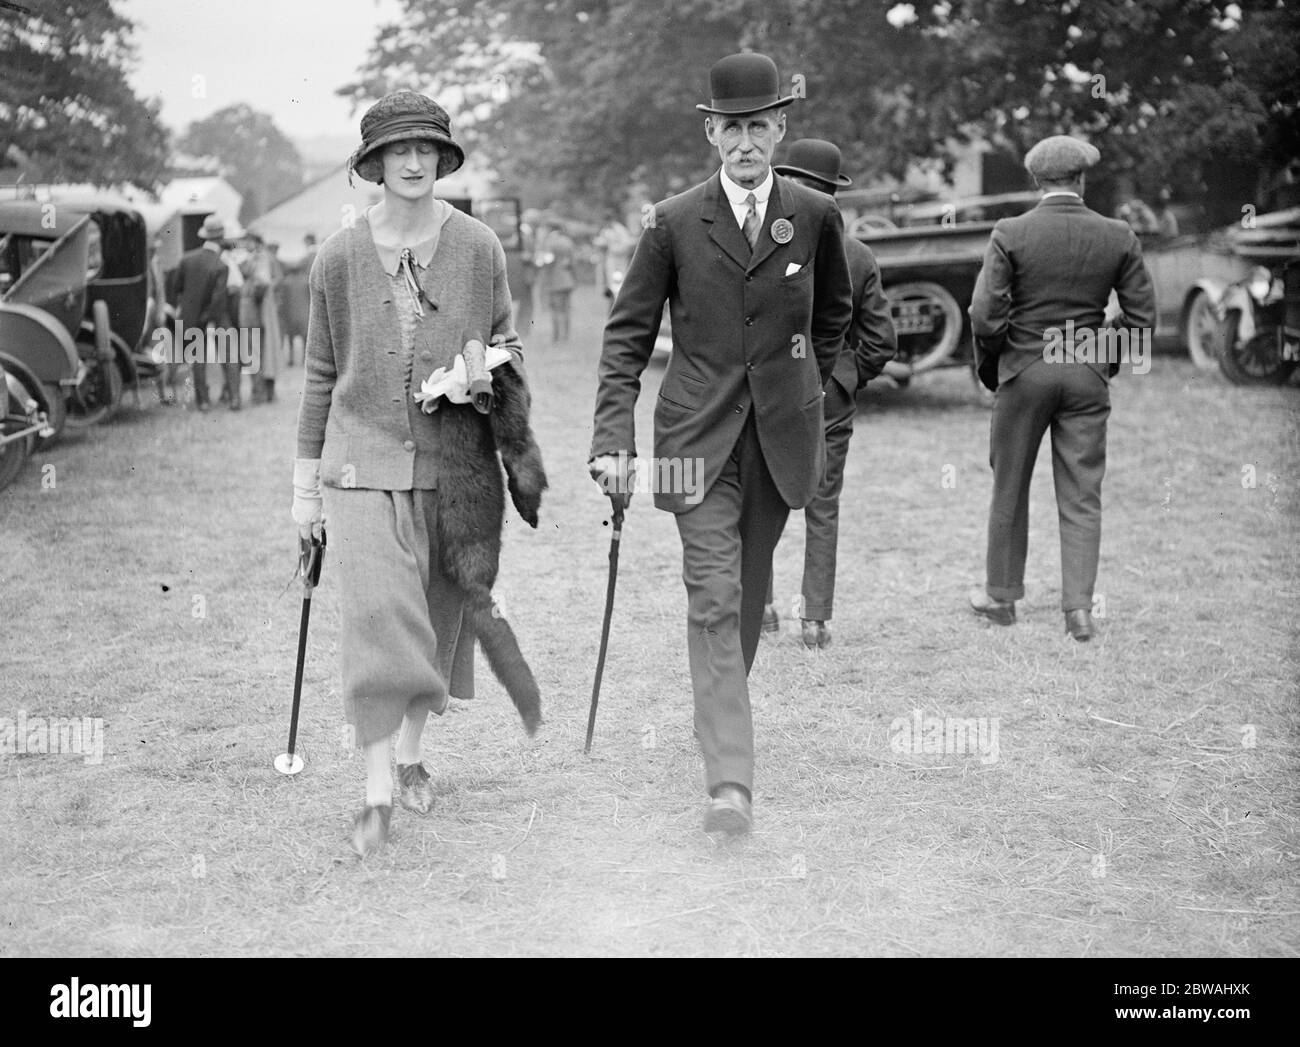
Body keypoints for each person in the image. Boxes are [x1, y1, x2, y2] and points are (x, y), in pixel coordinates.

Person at [589, 52, 853, 835]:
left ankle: (718, 713)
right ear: (711, 133)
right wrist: (614, 439)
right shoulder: (671, 222)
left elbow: (833, 314)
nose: (744, 142)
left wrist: (815, 387)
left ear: (780, 129)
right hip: (691, 441)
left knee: (743, 601)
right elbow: (626, 338)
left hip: (778, 442)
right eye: (729, 128)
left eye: (758, 127)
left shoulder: (813, 216)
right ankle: (729, 782)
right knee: (711, 596)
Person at [292, 90, 547, 857]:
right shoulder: (337, 258)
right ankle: (374, 793)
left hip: (454, 468)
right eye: (395, 150)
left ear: (441, 157)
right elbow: (315, 375)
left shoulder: (479, 247)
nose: (411, 161)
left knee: (437, 622)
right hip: (359, 466)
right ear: (371, 163)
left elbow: (509, 345)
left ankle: (407, 755)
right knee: (379, 615)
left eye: (424, 148)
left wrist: (484, 372)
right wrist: (304, 491)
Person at [968, 135, 1156, 641]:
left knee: (1009, 486)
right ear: (1082, 178)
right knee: (1082, 493)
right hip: (1085, 375)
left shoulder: (1010, 231)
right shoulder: (1118, 234)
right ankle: (1078, 611)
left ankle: (1002, 598)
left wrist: (1003, 359)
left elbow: (985, 316)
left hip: (1024, 373)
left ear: (1036, 181)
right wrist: (1099, 359)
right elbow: (1142, 321)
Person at [762, 139, 898, 648]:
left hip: (769, 390)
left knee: (764, 499)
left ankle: (763, 609)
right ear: (833, 192)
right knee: (824, 505)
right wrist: (845, 376)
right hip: (829, 395)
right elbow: (881, 341)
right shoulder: (859, 254)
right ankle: (816, 621)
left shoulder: (762, 245)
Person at [171, 215, 232, 413]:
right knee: (224, 355)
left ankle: (202, 401)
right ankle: (230, 396)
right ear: (221, 238)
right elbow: (218, 298)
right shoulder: (221, 265)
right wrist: (210, 317)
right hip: (210, 317)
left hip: (189, 317)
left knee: (198, 360)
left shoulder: (187, 259)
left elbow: (176, 287)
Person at [534, 214, 575, 343]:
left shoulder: (549, 242)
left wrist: (539, 262)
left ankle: (557, 337)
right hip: (567, 279)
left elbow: (547, 260)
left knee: (556, 310)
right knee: (566, 309)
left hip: (554, 279)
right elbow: (573, 263)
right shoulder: (567, 241)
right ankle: (566, 336)